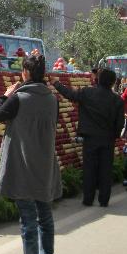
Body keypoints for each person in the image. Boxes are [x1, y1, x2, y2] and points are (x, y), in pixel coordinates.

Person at [0, 54, 62, 254]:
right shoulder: (52, 99)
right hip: (44, 164)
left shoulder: (19, 98)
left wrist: (5, 95)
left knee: (28, 222)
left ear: (26, 73)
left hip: (23, 166)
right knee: (45, 216)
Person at [50, 67, 123, 207]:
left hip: (90, 138)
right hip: (107, 139)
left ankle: (88, 199)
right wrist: (114, 136)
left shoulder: (87, 92)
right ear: (113, 83)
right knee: (105, 170)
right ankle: (104, 200)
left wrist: (56, 83)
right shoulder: (117, 100)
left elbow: (70, 95)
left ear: (98, 80)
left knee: (89, 169)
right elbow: (119, 124)